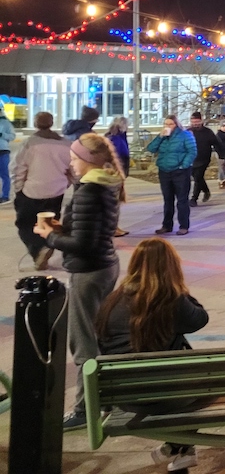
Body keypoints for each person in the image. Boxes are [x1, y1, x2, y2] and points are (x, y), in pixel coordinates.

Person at [33, 133, 123, 429]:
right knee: (99, 336)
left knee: (83, 342)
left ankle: (86, 410)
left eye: (74, 158)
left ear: (89, 160)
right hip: (105, 265)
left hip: (88, 271)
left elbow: (83, 243)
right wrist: (63, 229)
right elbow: (92, 231)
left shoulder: (89, 190)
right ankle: (106, 399)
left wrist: (51, 236)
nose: (71, 164)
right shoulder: (108, 183)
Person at [96, 238, 209, 471]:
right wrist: (180, 289)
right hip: (165, 396)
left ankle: (178, 448)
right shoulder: (170, 300)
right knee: (211, 384)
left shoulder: (112, 300)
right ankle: (180, 444)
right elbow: (200, 318)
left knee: (176, 350)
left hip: (125, 397)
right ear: (172, 266)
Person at [13, 112, 75, 267]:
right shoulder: (66, 144)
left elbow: (17, 167)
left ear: (35, 123)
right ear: (52, 122)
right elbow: (73, 169)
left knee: (25, 224)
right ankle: (48, 244)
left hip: (31, 191)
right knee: (50, 223)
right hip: (56, 191)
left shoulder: (30, 143)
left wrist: (18, 187)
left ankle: (38, 250)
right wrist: (66, 183)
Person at [147, 115, 196, 235]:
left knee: (182, 200)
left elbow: (192, 151)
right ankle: (166, 225)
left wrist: (183, 165)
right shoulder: (163, 137)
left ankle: (183, 226)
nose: (168, 126)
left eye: (171, 124)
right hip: (164, 171)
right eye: (166, 124)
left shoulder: (185, 135)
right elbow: (151, 149)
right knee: (167, 200)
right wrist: (159, 137)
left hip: (180, 172)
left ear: (176, 125)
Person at [187, 111, 225, 207]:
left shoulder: (208, 132)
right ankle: (206, 191)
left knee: (198, 177)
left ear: (201, 121)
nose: (195, 124)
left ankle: (194, 199)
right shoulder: (187, 132)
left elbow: (217, 144)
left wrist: (222, 156)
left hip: (204, 159)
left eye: (197, 121)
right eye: (193, 122)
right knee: (197, 177)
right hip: (191, 159)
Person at [0, 105, 15, 203]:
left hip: (3, 151)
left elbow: (12, 136)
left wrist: (2, 135)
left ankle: (5, 195)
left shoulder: (5, 123)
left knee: (5, 174)